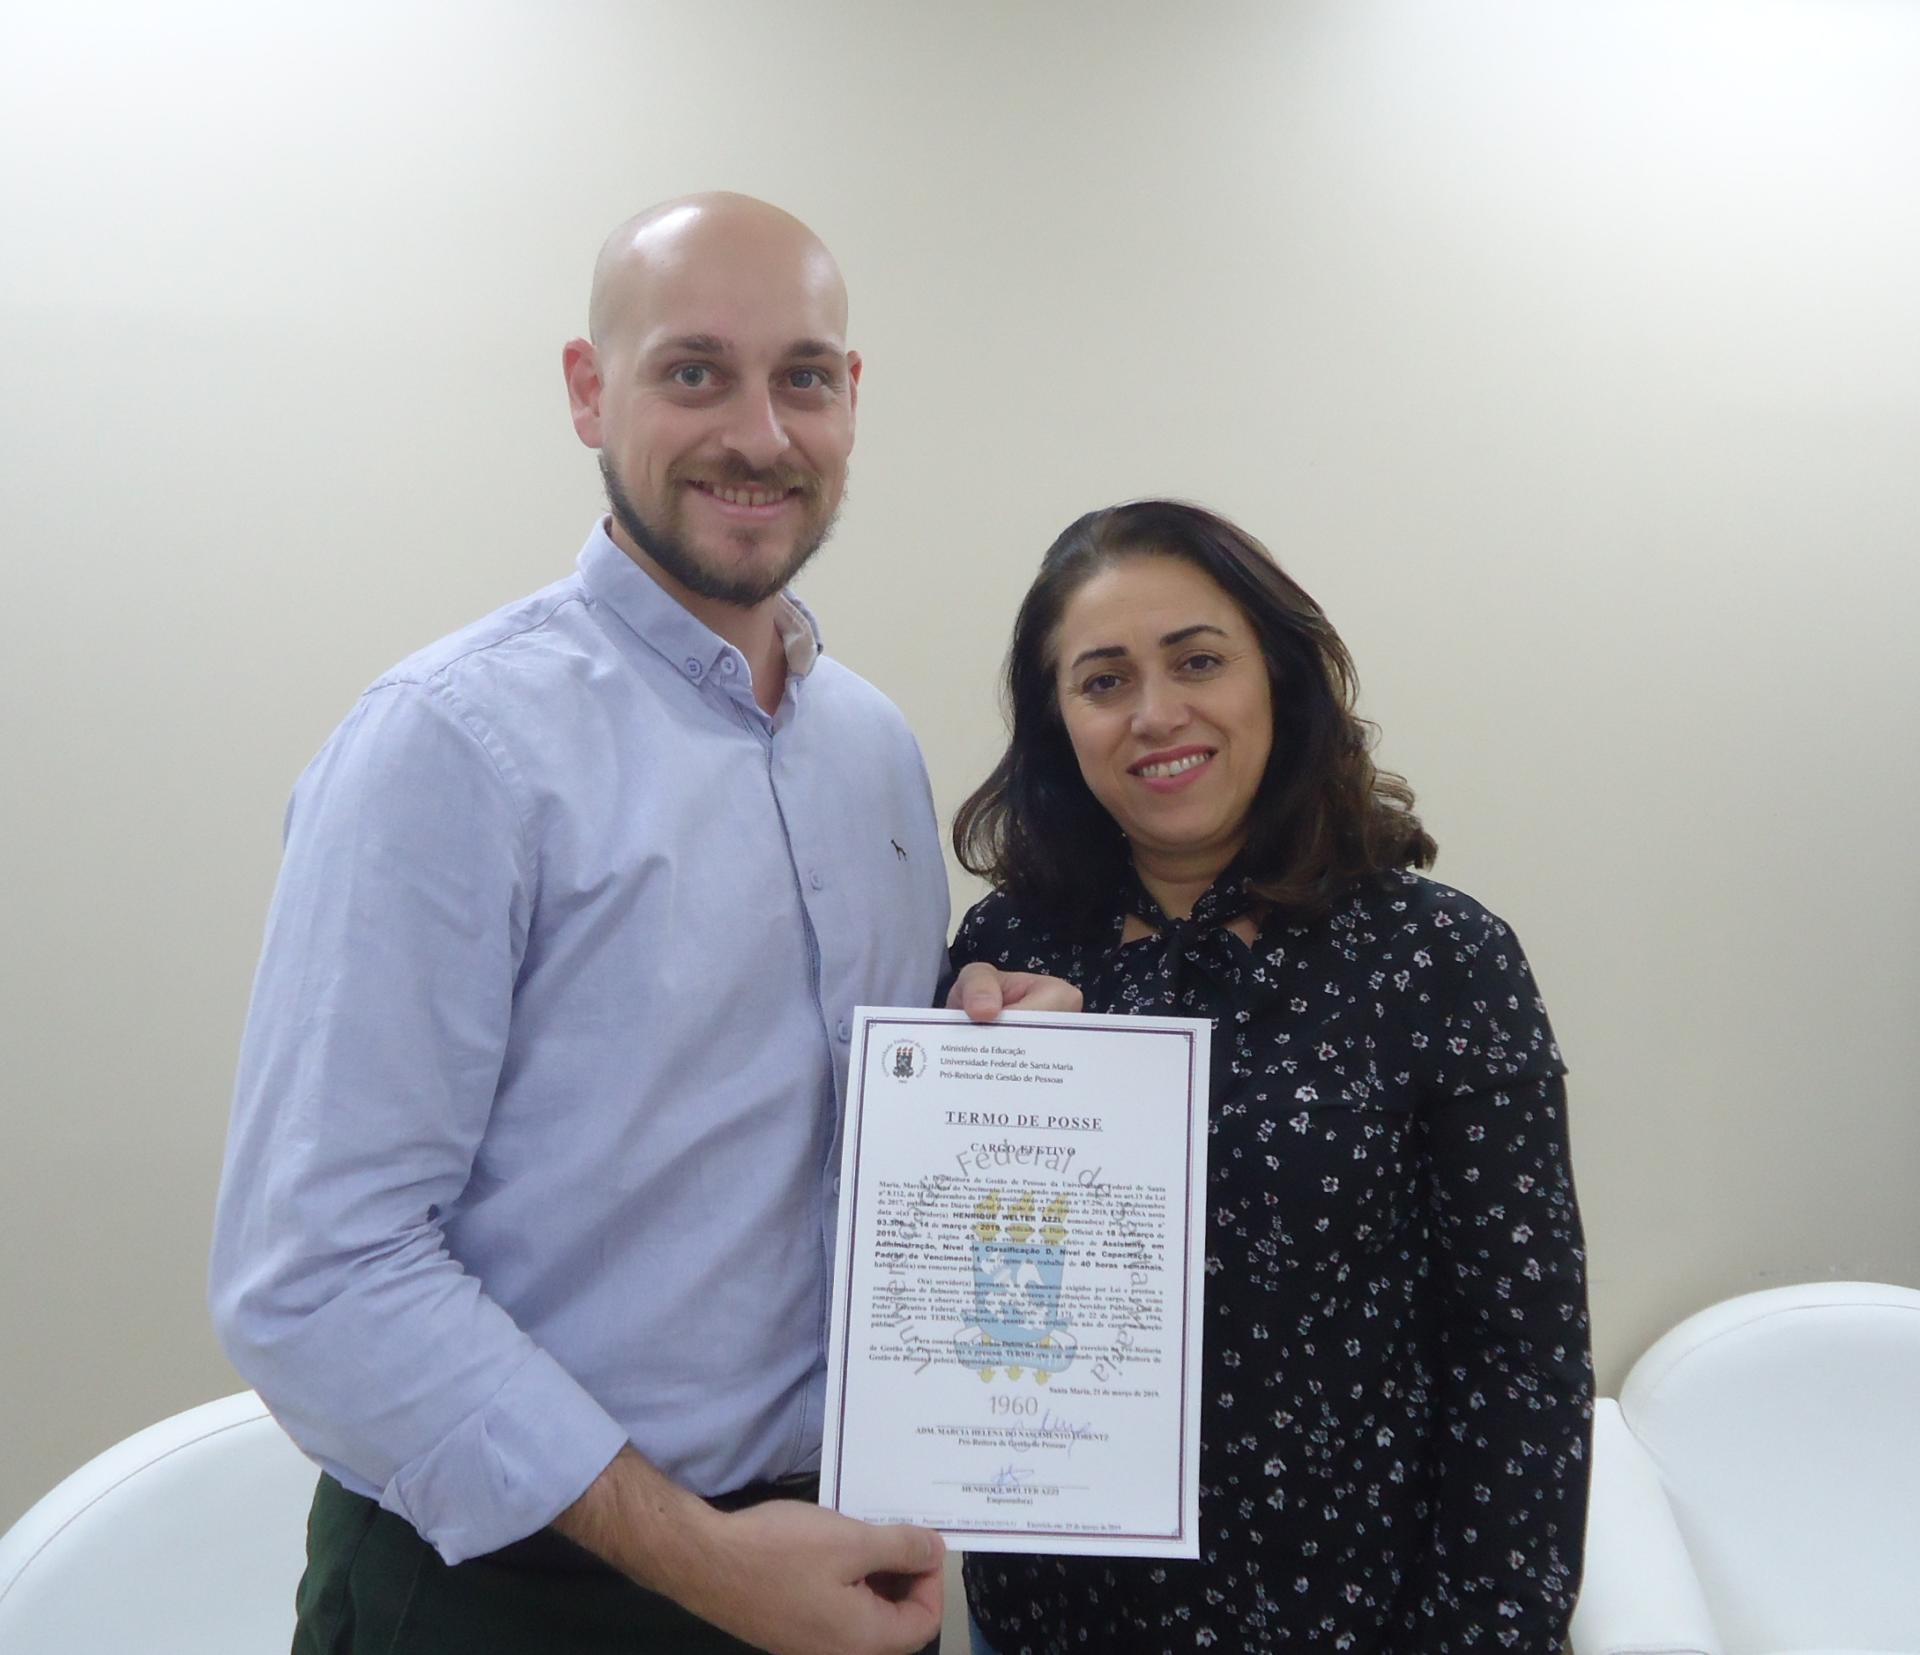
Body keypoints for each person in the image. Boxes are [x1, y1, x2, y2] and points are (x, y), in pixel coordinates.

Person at [208, 193, 1077, 1655]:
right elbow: (320, 1273)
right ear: (586, 389)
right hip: (516, 1586)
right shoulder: (452, 743)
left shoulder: (870, 749)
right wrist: (703, 1557)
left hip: (840, 1560)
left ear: (851, 400)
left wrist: (988, 1048)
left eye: (804, 376)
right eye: (694, 371)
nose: (760, 432)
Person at [949, 500, 1591, 1654]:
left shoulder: (1441, 956)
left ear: (1278, 680)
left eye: (1197, 660)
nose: (1156, 713)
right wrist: (982, 1100)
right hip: (1053, 1619)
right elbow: (970, 1306)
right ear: (1059, 723)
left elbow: (1521, 1359)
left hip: (1359, 1619)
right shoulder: (1009, 951)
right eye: (1103, 680)